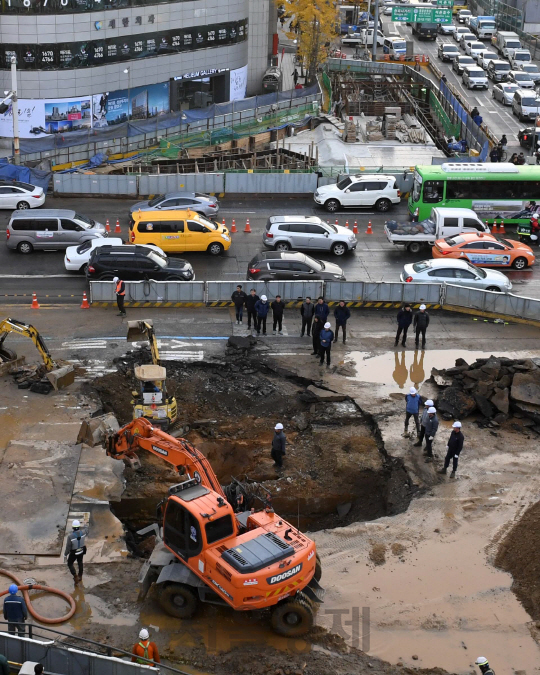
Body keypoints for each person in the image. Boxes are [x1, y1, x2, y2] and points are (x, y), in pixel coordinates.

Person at [64, 519, 88, 584]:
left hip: (74, 553)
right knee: (80, 562)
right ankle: (80, 576)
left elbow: (68, 547)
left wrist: (65, 555)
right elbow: (87, 529)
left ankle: (75, 576)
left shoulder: (70, 537)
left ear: (72, 527)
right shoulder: (83, 532)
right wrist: (85, 523)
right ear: (79, 526)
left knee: (70, 563)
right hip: (81, 551)